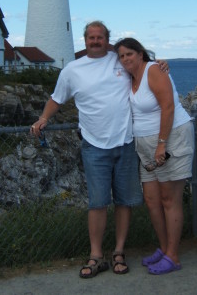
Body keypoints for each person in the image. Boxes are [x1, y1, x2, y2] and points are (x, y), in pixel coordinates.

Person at [31, 21, 168, 278]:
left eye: (100, 37)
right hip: (94, 146)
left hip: (126, 143)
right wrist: (44, 118)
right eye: (91, 37)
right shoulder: (72, 70)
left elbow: (143, 66)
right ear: (85, 40)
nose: (96, 41)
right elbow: (56, 99)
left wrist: (160, 64)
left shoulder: (120, 61)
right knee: (97, 203)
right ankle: (96, 255)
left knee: (124, 202)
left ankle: (118, 252)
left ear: (108, 40)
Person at [114, 37, 194, 275]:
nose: (126, 59)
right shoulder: (130, 77)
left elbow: (168, 106)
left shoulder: (154, 71)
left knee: (170, 200)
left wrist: (161, 144)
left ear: (141, 54)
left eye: (130, 54)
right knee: (152, 200)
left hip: (170, 139)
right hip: (145, 146)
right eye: (122, 56)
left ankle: (173, 256)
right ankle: (164, 248)